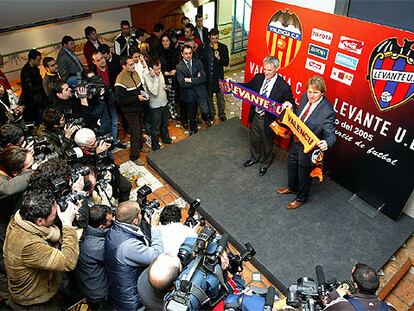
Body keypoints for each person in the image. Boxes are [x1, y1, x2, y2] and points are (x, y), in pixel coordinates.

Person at [3, 189, 79, 309]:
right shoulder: (28, 244)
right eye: (54, 216)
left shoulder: (21, 217)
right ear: (39, 221)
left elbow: (47, 232)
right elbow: (69, 262)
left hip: (42, 289)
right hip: (36, 302)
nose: (57, 217)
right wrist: (67, 225)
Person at [276, 76, 335, 209]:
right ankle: (292, 187)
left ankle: (301, 198)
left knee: (304, 174)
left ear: (322, 93)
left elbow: (330, 133)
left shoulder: (327, 111)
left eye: (315, 92)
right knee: (291, 165)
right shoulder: (304, 97)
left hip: (308, 148)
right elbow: (299, 114)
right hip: (295, 141)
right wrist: (290, 108)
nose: (311, 96)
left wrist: (327, 142)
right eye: (309, 92)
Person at [105, 200, 163, 310]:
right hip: (133, 301)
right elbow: (157, 255)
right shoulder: (128, 246)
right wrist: (155, 227)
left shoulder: (116, 229)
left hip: (120, 290)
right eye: (140, 213)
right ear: (135, 221)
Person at [242, 55, 294, 176]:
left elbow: (291, 102)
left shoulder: (283, 86)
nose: (266, 72)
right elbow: (247, 87)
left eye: (269, 70)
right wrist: (233, 84)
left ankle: (264, 164)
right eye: (264, 69)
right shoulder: (259, 77)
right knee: (254, 139)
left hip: (269, 120)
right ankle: (254, 158)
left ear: (277, 68)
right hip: (255, 116)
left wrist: (288, 104)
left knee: (267, 144)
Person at [72, 128, 132, 202]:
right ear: (82, 146)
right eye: (92, 144)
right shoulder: (77, 157)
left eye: (95, 141)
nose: (96, 144)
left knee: (126, 186)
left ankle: (123, 203)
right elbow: (91, 174)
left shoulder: (94, 138)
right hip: (100, 177)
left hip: (111, 168)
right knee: (113, 194)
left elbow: (110, 145)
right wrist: (98, 156)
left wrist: (110, 146)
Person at [76, 204, 114, 310]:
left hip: (87, 285)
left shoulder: (86, 232)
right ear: (101, 226)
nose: (114, 221)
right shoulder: (97, 246)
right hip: (99, 293)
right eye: (110, 221)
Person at [115, 56, 149, 162]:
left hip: (139, 107)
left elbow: (139, 87)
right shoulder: (120, 80)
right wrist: (136, 98)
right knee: (135, 132)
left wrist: (143, 94)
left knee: (140, 129)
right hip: (130, 111)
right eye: (130, 64)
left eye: (133, 63)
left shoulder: (135, 73)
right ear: (124, 66)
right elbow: (121, 100)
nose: (133, 66)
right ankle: (134, 156)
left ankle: (140, 146)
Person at [91, 51, 126, 148]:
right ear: (94, 62)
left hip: (111, 97)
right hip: (100, 101)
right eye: (98, 60)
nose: (102, 61)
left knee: (114, 120)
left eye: (102, 58)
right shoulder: (92, 72)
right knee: (105, 123)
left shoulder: (112, 66)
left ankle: (114, 141)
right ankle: (107, 144)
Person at [323, 263, 396, 310]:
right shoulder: (390, 308)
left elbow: (322, 306)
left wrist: (334, 295)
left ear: (355, 285)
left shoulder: (344, 305)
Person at [176, 44, 212, 135]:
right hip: (189, 94)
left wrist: (190, 80)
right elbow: (182, 83)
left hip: (200, 92)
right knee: (191, 115)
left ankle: (205, 118)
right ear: (182, 54)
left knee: (205, 110)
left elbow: (203, 77)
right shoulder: (179, 67)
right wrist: (197, 79)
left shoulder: (198, 62)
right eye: (186, 53)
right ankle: (193, 130)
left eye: (190, 53)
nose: (188, 55)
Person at [200, 28, 230, 122]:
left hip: (219, 77)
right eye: (213, 38)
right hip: (208, 77)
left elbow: (226, 63)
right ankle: (212, 113)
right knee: (209, 96)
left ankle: (222, 113)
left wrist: (219, 58)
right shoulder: (204, 47)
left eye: (216, 38)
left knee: (220, 97)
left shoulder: (223, 47)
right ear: (209, 37)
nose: (214, 40)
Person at [144, 56, 172, 151]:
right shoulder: (147, 77)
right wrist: (155, 78)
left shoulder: (160, 74)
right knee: (155, 128)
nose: (159, 71)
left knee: (164, 124)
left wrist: (166, 87)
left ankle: (166, 139)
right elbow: (154, 92)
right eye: (157, 69)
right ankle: (155, 145)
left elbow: (162, 85)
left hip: (164, 102)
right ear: (151, 69)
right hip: (155, 106)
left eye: (160, 68)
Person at [20, 49, 47, 124]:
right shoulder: (25, 71)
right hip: (32, 101)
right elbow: (29, 88)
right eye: (38, 60)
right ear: (32, 59)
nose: (39, 62)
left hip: (39, 97)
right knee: (38, 120)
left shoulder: (36, 68)